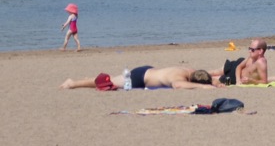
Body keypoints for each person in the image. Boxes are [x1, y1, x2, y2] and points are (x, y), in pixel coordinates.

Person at [60, 66, 221, 90]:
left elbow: (209, 73)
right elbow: (179, 85)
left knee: (111, 81)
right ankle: (73, 83)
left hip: (147, 70)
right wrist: (206, 87)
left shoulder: (190, 70)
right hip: (139, 78)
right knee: (107, 83)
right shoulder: (179, 78)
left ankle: (81, 81)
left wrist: (215, 81)